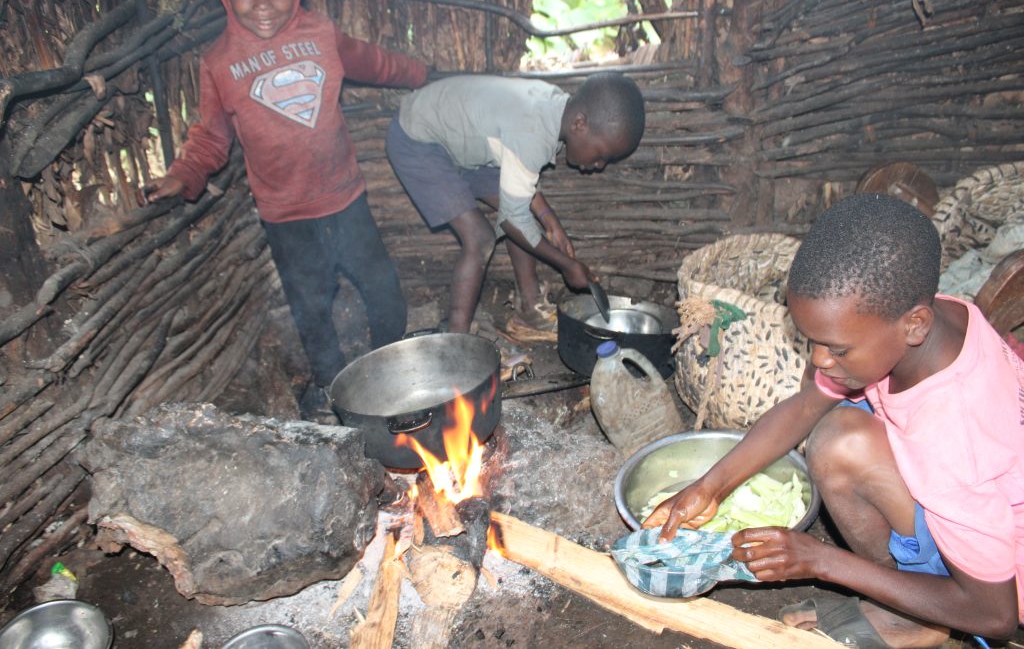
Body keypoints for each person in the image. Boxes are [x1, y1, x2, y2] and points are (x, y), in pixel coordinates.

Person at [644, 193, 1024, 647]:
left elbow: (996, 615)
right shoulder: (930, 318)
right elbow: (807, 405)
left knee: (840, 443)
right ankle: (908, 597)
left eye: (837, 349)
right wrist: (710, 487)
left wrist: (821, 560)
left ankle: (921, 613)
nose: (820, 360)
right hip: (979, 510)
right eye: (813, 342)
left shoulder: (952, 438)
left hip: (994, 586)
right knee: (836, 426)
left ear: (914, 324)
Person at [137, 0, 428, 418]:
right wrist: (184, 173)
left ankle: (389, 362)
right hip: (285, 213)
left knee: (382, 286)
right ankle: (330, 386)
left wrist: (420, 74)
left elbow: (373, 62)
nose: (262, 3)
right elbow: (211, 137)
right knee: (310, 304)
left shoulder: (321, 33)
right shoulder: (220, 62)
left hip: (345, 197)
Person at [385, 72, 645, 338]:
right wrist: (566, 265)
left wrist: (548, 219)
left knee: (521, 219)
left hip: (468, 141)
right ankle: (457, 340)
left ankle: (529, 310)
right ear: (580, 124)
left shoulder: (556, 110)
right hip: (419, 138)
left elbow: (521, 177)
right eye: (601, 155)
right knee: (482, 237)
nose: (599, 165)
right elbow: (513, 216)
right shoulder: (533, 128)